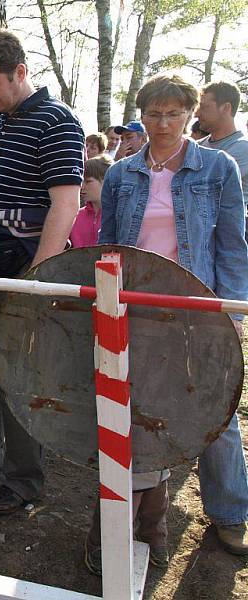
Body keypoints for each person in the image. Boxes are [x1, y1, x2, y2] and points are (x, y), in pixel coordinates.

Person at [98, 73, 248, 557]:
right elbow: (110, 246)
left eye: (174, 113)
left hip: (196, 304)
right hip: (135, 310)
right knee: (134, 406)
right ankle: (137, 520)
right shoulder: (122, 174)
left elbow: (231, 244)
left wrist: (231, 308)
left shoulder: (217, 168)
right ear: (141, 117)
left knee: (217, 408)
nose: (163, 124)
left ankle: (229, 513)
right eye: (153, 114)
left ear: (191, 114)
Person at [0, 29, 84, 515]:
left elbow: (65, 204)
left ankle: (24, 478)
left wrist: (37, 275)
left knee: (21, 376)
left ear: (21, 72)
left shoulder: (57, 122)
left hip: (23, 271)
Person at [196, 80, 248, 208]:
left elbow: (207, 186)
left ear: (226, 108)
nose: (197, 113)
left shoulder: (243, 148)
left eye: (204, 107)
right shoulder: (197, 145)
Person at [69, 155, 113, 248]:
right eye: (82, 181)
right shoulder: (75, 216)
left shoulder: (117, 215)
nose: (82, 186)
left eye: (88, 181)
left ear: (106, 181)